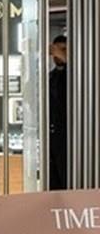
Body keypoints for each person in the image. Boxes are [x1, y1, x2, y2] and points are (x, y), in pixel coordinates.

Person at [48, 34, 68, 190]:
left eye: (63, 50)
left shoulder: (77, 76)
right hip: (53, 137)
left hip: (70, 137)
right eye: (56, 50)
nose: (58, 54)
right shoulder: (50, 77)